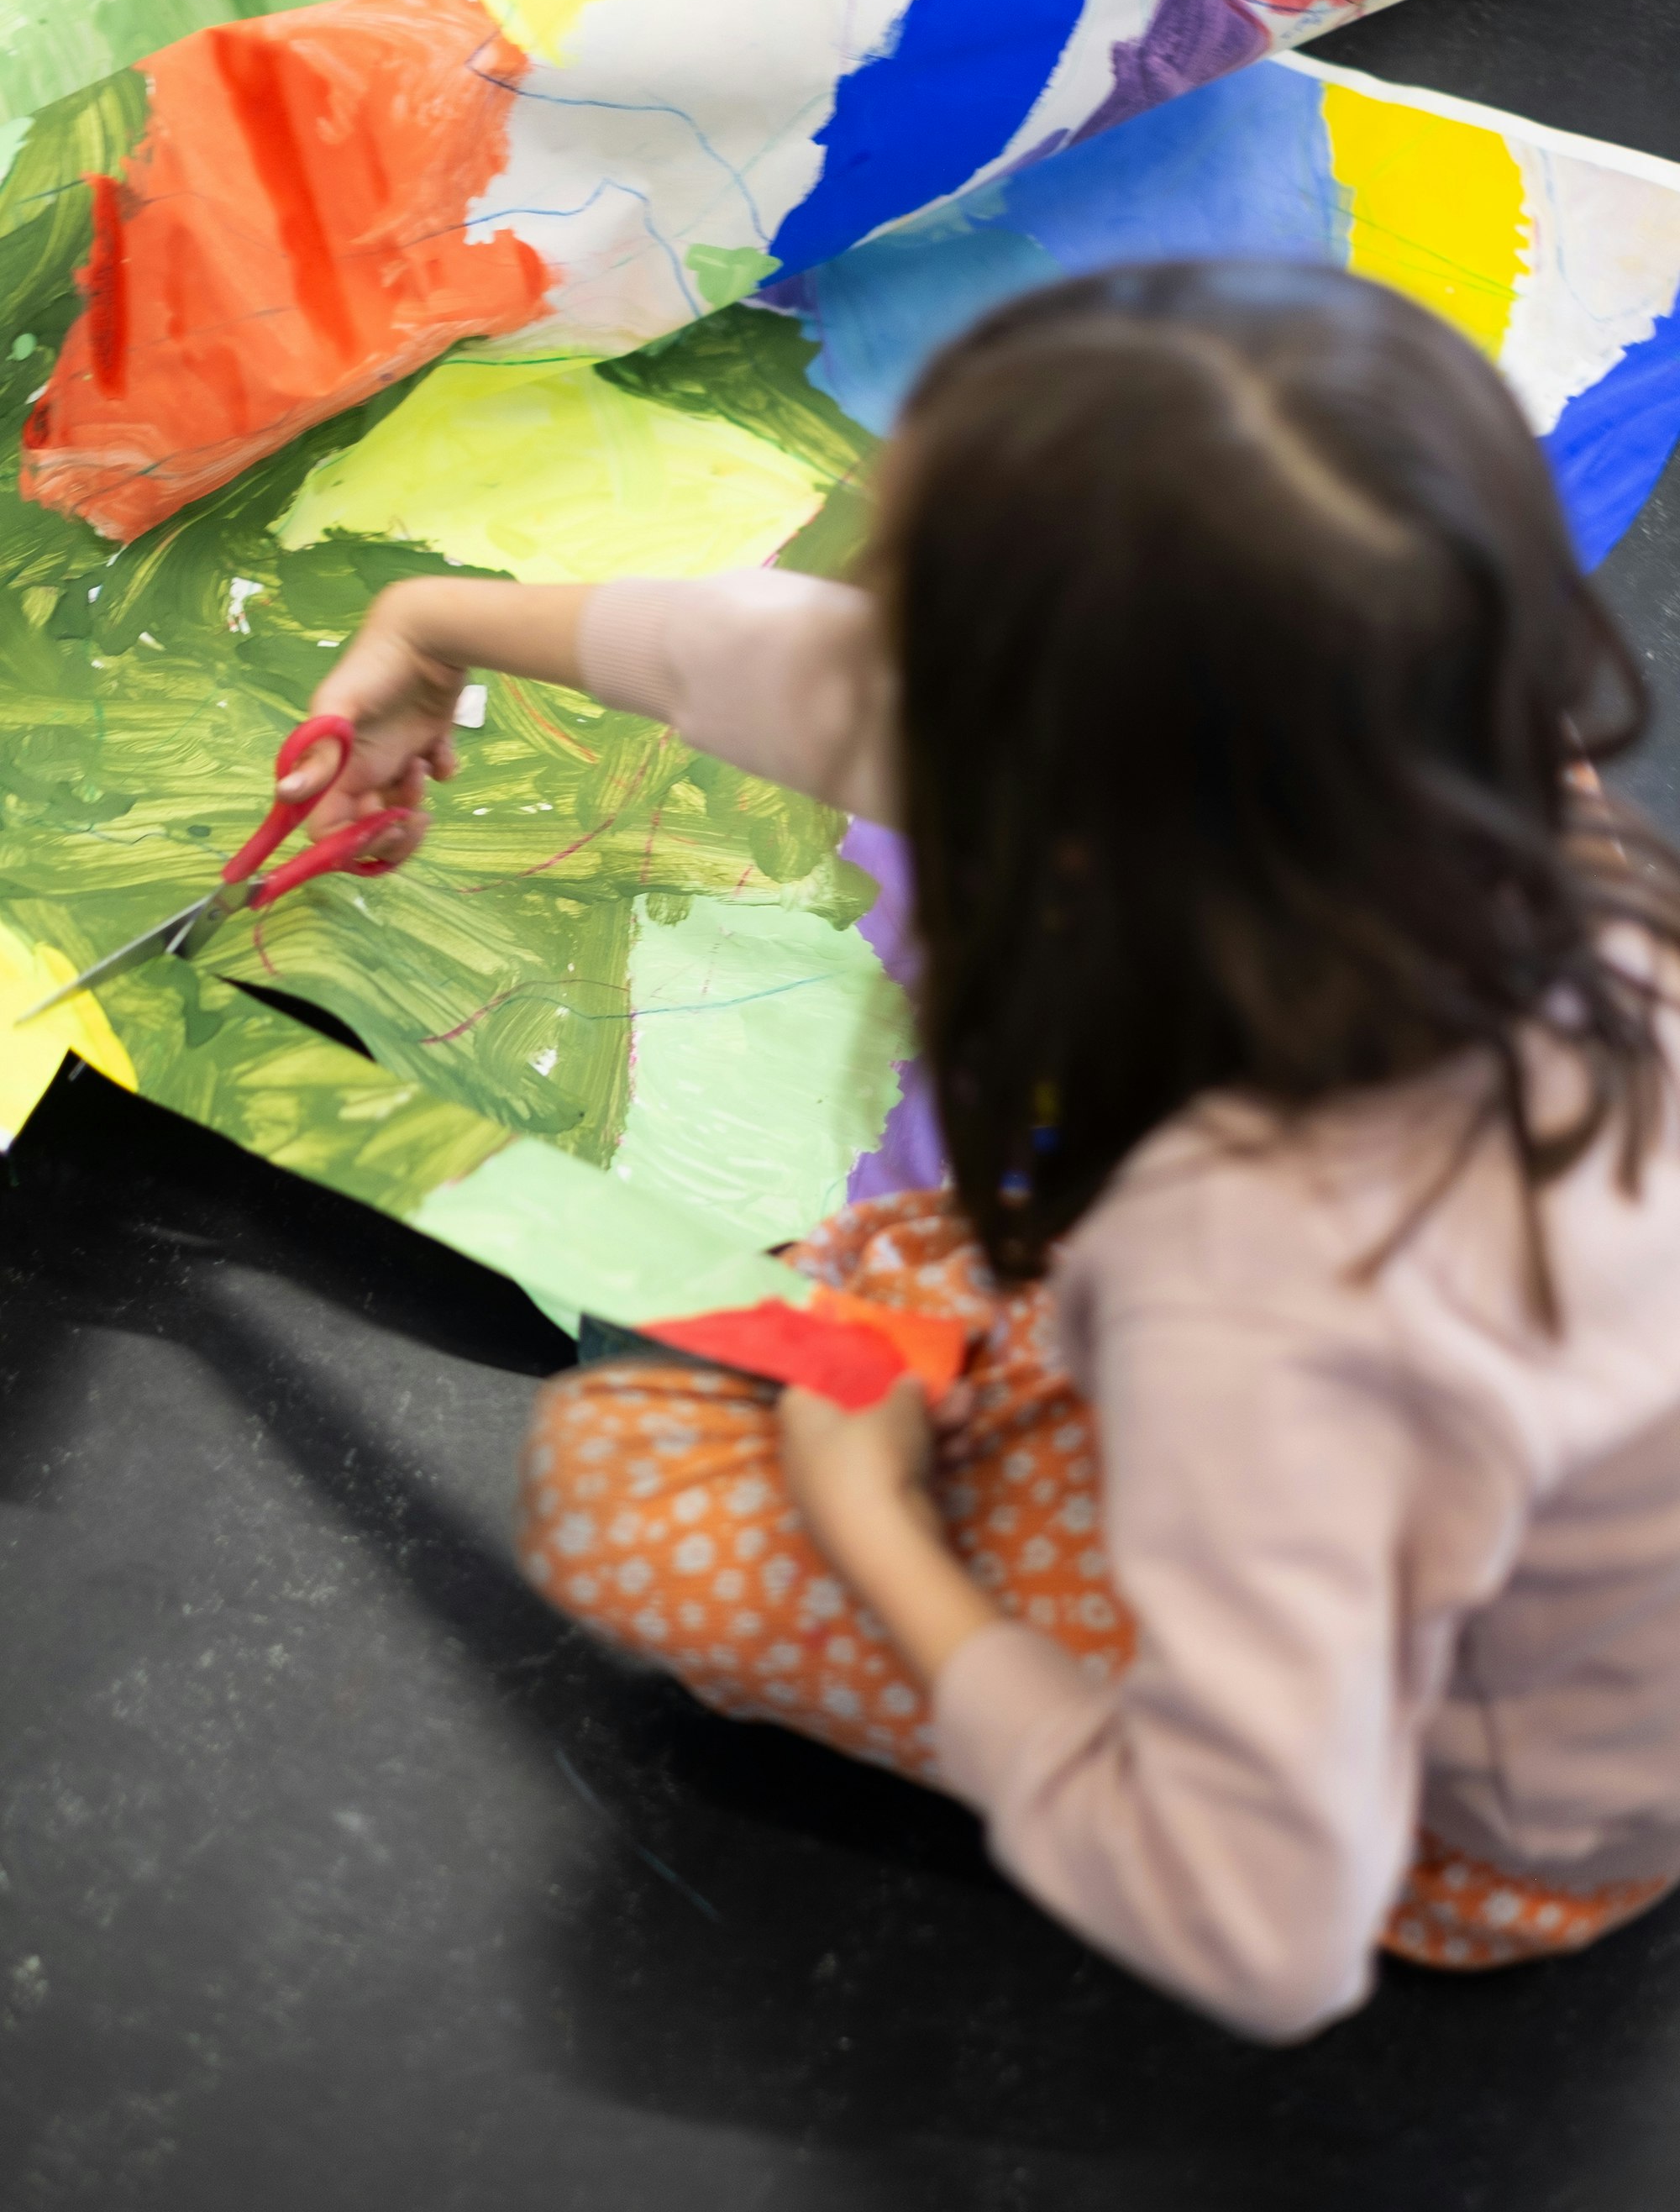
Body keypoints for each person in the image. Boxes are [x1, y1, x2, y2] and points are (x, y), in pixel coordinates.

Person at [290, 263, 1680, 2041]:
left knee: (630, 1481)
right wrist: (429, 629)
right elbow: (813, 676)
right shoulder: (1478, 789)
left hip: (1482, 1811)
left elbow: (1264, 1930)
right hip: (1460, 1492)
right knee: (886, 1296)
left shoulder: (1262, 1279)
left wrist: (880, 1532)